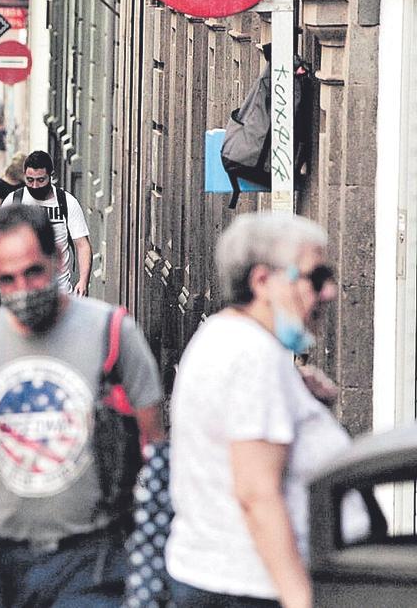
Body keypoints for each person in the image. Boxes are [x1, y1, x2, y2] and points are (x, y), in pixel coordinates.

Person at [0, 204, 166, 607]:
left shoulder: (112, 332)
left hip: (97, 557)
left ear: (57, 259)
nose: (23, 289)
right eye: (7, 280)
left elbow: (156, 447)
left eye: (33, 272)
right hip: (12, 559)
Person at [166, 213, 370, 607]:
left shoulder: (228, 336)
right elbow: (257, 494)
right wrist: (299, 599)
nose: (328, 291)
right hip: (251, 588)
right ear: (262, 281)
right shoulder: (253, 359)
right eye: (315, 277)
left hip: (224, 578)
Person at [1, 151, 93, 296]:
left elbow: (82, 244)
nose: (35, 186)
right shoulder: (14, 201)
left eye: (41, 180)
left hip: (59, 292)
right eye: (30, 180)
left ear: (51, 176)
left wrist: (83, 280)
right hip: (21, 292)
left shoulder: (67, 202)